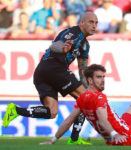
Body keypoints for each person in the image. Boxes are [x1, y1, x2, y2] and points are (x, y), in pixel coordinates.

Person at [3, 11, 98, 145]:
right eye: (91, 22)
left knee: (52, 112)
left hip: (42, 72)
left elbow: (82, 69)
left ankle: (16, 110)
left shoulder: (85, 45)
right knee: (85, 99)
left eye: (96, 23)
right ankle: (75, 139)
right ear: (81, 22)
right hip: (54, 67)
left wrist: (87, 86)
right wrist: (63, 49)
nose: (94, 25)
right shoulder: (72, 33)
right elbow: (55, 45)